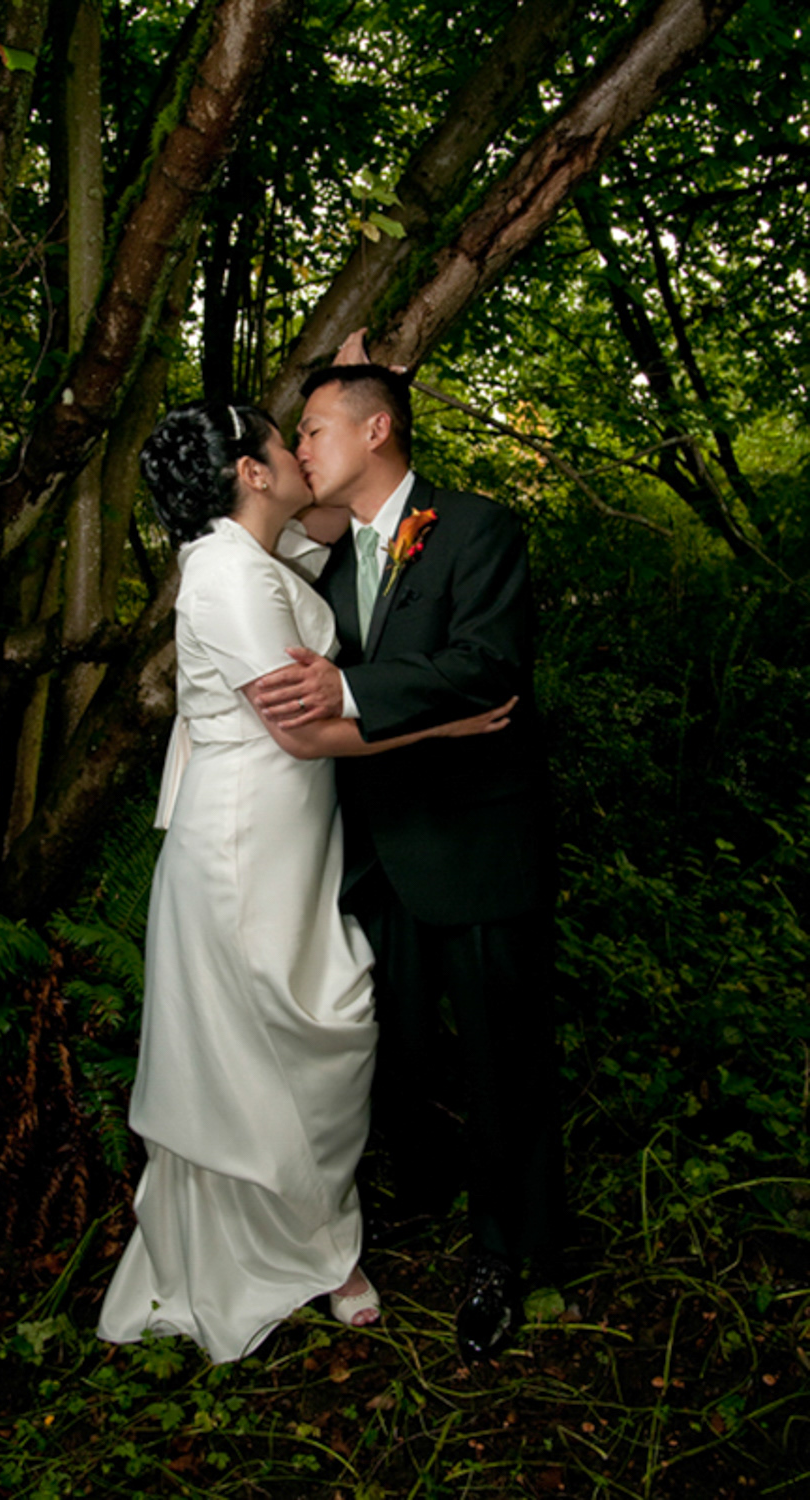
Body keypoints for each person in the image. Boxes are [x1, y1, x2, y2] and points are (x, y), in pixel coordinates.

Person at [97, 401, 514, 1364]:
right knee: (276, 1041)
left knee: (309, 1031)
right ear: (249, 471)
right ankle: (314, 1254)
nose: (299, 454)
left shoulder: (257, 554)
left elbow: (333, 517)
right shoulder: (225, 578)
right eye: (285, 443)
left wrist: (382, 386)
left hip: (290, 833)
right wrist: (442, 724)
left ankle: (312, 1239)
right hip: (245, 842)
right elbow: (301, 729)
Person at [254, 356, 565, 1361]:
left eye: (314, 429)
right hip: (373, 850)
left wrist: (346, 696)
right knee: (394, 1051)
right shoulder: (331, 555)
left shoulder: (476, 527)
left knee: (498, 1059)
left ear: (376, 431)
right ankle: (424, 1191)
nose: (301, 446)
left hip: (475, 844)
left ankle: (503, 1255)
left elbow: (486, 669)